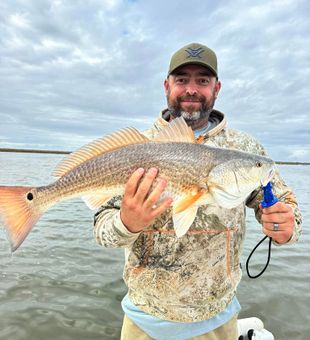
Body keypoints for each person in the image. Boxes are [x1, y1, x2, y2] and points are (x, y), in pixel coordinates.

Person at [93, 43, 302, 340]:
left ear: (217, 88)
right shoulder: (138, 149)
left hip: (218, 321)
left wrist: (286, 226)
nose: (191, 89)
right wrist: (126, 224)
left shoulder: (245, 150)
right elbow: (102, 230)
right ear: (167, 85)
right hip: (145, 321)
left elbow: (286, 210)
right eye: (182, 80)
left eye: (202, 80)